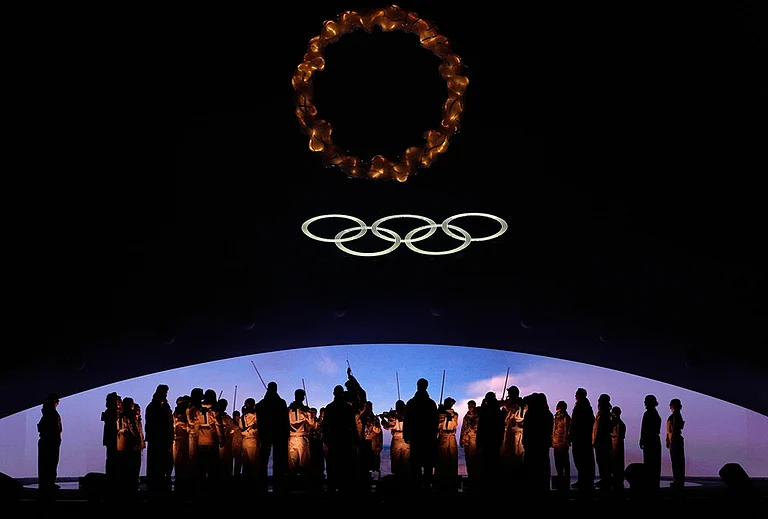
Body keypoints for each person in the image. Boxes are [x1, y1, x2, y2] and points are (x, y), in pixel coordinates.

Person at [403, 378, 438, 492]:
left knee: (419, 463)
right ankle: (424, 485)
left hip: (419, 437)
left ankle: (419, 486)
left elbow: (407, 420)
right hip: (425, 437)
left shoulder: (412, 403)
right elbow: (435, 421)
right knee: (424, 463)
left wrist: (406, 434)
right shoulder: (430, 403)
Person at [256, 381, 289, 493]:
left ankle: (262, 484)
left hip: (266, 434)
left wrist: (260, 434)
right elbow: (285, 420)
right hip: (279, 435)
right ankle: (278, 484)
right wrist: (286, 434)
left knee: (264, 461)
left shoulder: (261, 404)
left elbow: (259, 421)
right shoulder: (281, 402)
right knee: (278, 460)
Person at [145, 384, 174, 492]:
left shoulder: (165, 406)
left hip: (165, 439)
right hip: (157, 440)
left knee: (165, 463)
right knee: (156, 464)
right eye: (164, 393)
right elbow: (151, 425)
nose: (166, 395)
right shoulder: (153, 407)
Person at [569, 388, 595, 489]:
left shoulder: (583, 406)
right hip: (581, 437)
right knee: (582, 459)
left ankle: (585, 480)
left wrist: (573, 434)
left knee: (582, 459)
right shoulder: (584, 406)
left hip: (581, 438)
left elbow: (578, 423)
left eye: (577, 394)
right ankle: (584, 479)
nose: (575, 396)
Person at [37, 393, 62, 492]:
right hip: (51, 443)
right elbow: (55, 429)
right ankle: (48, 484)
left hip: (50, 442)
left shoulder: (48, 414)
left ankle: (47, 484)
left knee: (49, 464)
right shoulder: (51, 415)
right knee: (50, 464)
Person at [435, 397, 459, 493]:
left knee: (444, 458)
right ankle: (450, 478)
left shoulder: (442, 414)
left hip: (445, 437)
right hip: (449, 436)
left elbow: (438, 424)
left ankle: (444, 479)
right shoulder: (454, 414)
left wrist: (440, 411)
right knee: (450, 458)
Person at [640, 394, 662, 489]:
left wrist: (643, 439)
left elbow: (645, 429)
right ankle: (653, 483)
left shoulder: (649, 414)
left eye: (646, 401)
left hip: (650, 441)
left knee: (651, 463)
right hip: (652, 440)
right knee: (653, 464)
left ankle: (651, 484)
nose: (644, 403)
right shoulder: (653, 413)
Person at [593, 394, 614, 490]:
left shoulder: (605, 414)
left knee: (604, 461)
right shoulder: (601, 413)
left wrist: (597, 439)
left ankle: (606, 480)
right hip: (600, 440)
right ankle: (604, 479)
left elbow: (603, 428)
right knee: (601, 461)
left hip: (603, 440)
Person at [459, 400, 479, 488]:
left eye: (471, 405)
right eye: (469, 405)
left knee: (473, 460)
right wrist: (461, 439)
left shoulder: (477, 416)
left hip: (473, 440)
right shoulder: (466, 416)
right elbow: (463, 428)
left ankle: (474, 479)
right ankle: (470, 476)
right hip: (466, 440)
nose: (470, 407)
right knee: (468, 460)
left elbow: (475, 427)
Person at [552, 400, 571, 490]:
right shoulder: (556, 417)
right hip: (556, 443)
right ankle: (560, 478)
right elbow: (554, 430)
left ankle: (566, 480)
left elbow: (567, 431)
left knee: (564, 462)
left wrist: (566, 441)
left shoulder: (566, 418)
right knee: (558, 463)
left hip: (562, 443)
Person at [666, 398, 685, 489]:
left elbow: (675, 429)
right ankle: (677, 479)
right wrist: (668, 439)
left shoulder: (676, 416)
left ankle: (678, 480)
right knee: (675, 461)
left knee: (677, 461)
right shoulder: (674, 416)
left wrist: (671, 439)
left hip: (675, 440)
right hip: (673, 440)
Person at [611, 406, 626, 490]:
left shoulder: (618, 424)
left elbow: (617, 435)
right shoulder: (620, 423)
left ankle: (617, 480)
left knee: (617, 463)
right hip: (617, 445)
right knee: (617, 463)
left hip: (617, 446)